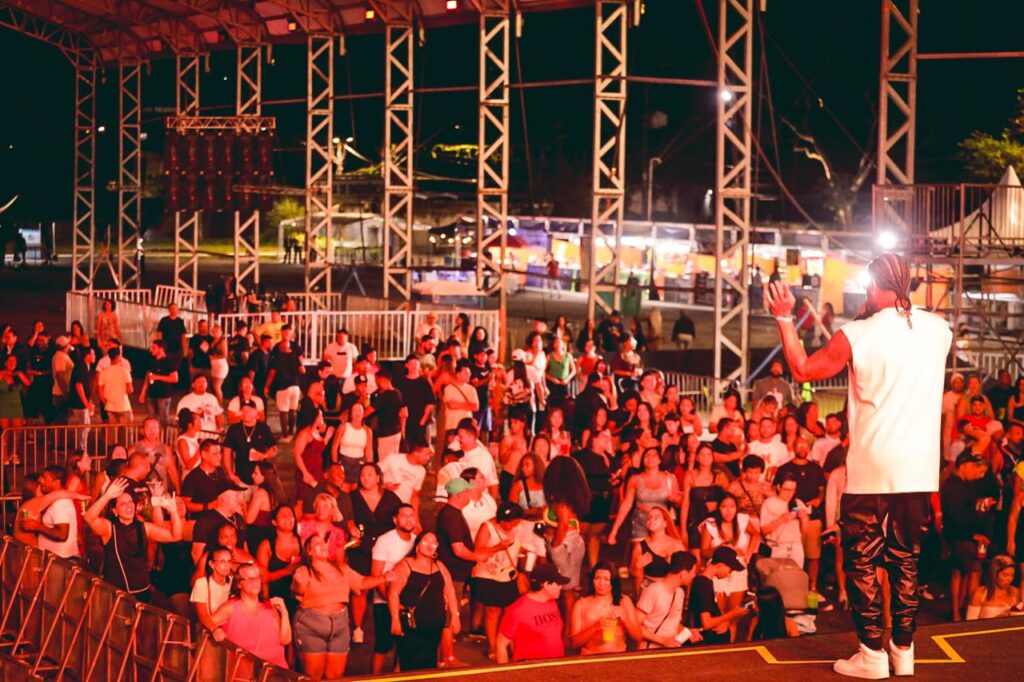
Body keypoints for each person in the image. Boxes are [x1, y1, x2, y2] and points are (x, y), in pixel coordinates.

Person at [765, 253, 952, 678]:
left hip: (872, 464)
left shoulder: (858, 334)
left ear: (872, 285)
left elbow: (802, 370)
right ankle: (902, 649)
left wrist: (783, 317)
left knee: (862, 557)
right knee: (906, 558)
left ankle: (871, 654)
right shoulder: (939, 330)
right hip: (919, 466)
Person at [291, 534, 388, 680]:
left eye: (324, 543)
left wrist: (385, 578)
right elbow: (297, 592)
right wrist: (298, 583)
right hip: (312, 625)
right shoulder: (304, 571)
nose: (323, 545)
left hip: (340, 625)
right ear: (309, 551)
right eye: (317, 544)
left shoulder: (341, 568)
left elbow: (361, 583)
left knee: (335, 676)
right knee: (313, 676)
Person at [83, 478, 183, 603]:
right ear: (115, 511)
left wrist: (173, 511)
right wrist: (107, 496)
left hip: (143, 593)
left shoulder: (144, 527)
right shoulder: (109, 528)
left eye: (130, 502)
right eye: (123, 504)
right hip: (117, 595)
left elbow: (175, 536)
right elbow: (89, 518)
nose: (129, 506)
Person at [388, 532, 460, 672]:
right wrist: (395, 620)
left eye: (434, 542)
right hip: (411, 625)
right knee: (408, 664)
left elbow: (450, 591)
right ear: (417, 546)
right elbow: (393, 593)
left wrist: (455, 616)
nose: (430, 545)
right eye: (426, 541)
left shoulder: (439, 566)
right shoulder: (405, 565)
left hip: (434, 625)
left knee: (429, 662)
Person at [940, 452, 992, 621]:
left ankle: (959, 612)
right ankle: (969, 613)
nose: (979, 475)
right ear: (965, 466)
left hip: (963, 535)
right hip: (960, 537)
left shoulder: (967, 485)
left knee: (959, 573)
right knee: (973, 572)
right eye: (978, 470)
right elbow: (955, 516)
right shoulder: (952, 487)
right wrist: (973, 535)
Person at [209, 562, 290, 669]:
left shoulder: (270, 607)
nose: (254, 582)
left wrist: (284, 612)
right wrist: (214, 629)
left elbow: (285, 640)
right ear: (239, 584)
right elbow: (206, 623)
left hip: (276, 669)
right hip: (245, 671)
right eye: (249, 579)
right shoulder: (230, 608)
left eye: (257, 578)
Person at [473, 502, 526, 659]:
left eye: (515, 523)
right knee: (492, 611)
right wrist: (498, 547)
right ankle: (492, 646)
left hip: (508, 575)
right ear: (501, 519)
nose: (512, 526)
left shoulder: (517, 528)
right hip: (488, 575)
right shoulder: (487, 527)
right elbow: (477, 551)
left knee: (509, 611)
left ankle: (507, 642)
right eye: (509, 523)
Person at [775, 436, 827, 599]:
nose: (802, 448)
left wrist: (818, 500)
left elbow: (822, 490)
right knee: (792, 555)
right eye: (799, 445)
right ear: (793, 447)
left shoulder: (816, 469)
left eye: (805, 445)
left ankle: (812, 587)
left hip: (813, 518)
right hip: (791, 519)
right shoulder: (784, 469)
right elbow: (777, 491)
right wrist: (795, 509)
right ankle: (791, 588)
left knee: (813, 555)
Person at [369, 504, 418, 674]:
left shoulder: (416, 541)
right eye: (404, 515)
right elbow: (376, 575)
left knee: (404, 646)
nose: (408, 519)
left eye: (411, 515)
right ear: (395, 520)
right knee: (382, 645)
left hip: (408, 602)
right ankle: (374, 678)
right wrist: (392, 602)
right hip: (383, 601)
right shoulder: (385, 540)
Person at [495, 564, 568, 663]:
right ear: (546, 585)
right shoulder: (518, 609)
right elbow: (501, 644)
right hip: (531, 670)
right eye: (558, 584)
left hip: (555, 667)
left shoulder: (552, 602)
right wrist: (506, 672)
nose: (561, 587)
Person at [570, 561, 643, 655]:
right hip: (590, 657)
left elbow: (638, 637)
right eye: (597, 578)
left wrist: (625, 619)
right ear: (592, 581)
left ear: (613, 581)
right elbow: (573, 643)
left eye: (606, 579)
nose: (601, 583)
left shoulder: (624, 601)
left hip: (618, 657)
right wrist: (595, 627)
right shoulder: (581, 604)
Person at [636, 552, 702, 649]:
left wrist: (687, 632)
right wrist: (662, 640)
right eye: (693, 572)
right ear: (683, 574)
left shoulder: (680, 593)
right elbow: (635, 625)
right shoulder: (653, 590)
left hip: (670, 650)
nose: (694, 576)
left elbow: (672, 623)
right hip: (649, 650)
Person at [688, 545, 750, 645]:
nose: (729, 574)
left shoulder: (706, 582)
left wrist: (724, 622)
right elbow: (706, 623)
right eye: (730, 570)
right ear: (720, 565)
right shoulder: (703, 584)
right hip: (706, 643)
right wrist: (732, 614)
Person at [19, 466, 80, 559]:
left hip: (62, 560)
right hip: (56, 559)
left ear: (57, 483)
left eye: (45, 478)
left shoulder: (60, 503)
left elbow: (62, 535)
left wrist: (37, 526)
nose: (41, 481)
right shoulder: (54, 501)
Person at [264, 324, 305, 440]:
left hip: (283, 386)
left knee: (284, 411)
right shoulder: (294, 357)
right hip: (295, 386)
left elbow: (272, 373)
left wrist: (267, 386)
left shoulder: (277, 358)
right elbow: (302, 370)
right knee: (293, 410)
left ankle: (285, 434)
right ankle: (291, 432)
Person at [760, 473, 810, 568]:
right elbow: (764, 530)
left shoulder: (797, 503)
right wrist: (782, 519)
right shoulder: (769, 503)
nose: (790, 493)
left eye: (793, 490)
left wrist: (804, 518)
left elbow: (805, 531)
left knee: (795, 576)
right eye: (786, 489)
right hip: (777, 548)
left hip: (796, 549)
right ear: (779, 487)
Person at [222, 403, 277, 486]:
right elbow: (226, 452)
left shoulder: (263, 428)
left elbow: (274, 449)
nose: (246, 413)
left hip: (261, 478)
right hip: (240, 477)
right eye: (243, 410)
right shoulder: (234, 429)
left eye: (250, 410)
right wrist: (230, 474)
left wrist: (264, 456)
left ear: (256, 412)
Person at [191, 544, 235, 635]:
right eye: (222, 561)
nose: (227, 565)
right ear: (212, 564)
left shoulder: (233, 582)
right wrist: (215, 630)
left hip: (230, 630)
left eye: (229, 561)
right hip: (210, 631)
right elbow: (203, 617)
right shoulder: (202, 583)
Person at [330, 402, 374, 490]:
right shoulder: (343, 427)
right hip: (344, 463)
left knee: (356, 492)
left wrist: (370, 468)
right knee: (343, 491)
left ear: (363, 413)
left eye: (360, 410)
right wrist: (335, 466)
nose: (357, 413)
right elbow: (334, 447)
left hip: (359, 464)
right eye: (355, 410)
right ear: (351, 414)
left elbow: (369, 451)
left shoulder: (368, 431)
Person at [395, 354, 435, 448]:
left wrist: (423, 421)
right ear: (407, 365)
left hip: (420, 422)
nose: (413, 366)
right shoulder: (400, 382)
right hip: (404, 423)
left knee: (420, 448)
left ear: (419, 365)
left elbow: (430, 403)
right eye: (411, 364)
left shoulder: (424, 383)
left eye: (416, 364)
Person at [965, 554, 1020, 620]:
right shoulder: (980, 594)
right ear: (994, 574)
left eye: (1012, 575)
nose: (1009, 579)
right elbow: (970, 621)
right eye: (1005, 575)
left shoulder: (1015, 593)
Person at [366, 370, 405, 460]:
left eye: (376, 381)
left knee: (384, 461)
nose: (376, 384)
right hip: (396, 433)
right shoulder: (398, 393)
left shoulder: (383, 396)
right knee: (394, 459)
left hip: (386, 434)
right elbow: (404, 413)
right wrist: (403, 432)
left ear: (381, 380)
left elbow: (367, 412)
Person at [139, 340, 178, 425]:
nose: (151, 350)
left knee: (163, 419)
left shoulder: (169, 362)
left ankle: (164, 433)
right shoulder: (152, 360)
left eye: (154, 348)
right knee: (151, 418)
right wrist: (143, 392)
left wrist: (157, 377)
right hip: (151, 394)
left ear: (161, 349)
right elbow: (148, 376)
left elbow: (175, 378)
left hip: (163, 395)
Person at [97, 347, 133, 423]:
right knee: (126, 429)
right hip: (123, 406)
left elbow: (100, 390)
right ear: (118, 357)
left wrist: (105, 402)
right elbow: (130, 390)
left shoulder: (104, 372)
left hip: (110, 406)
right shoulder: (124, 371)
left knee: (113, 429)